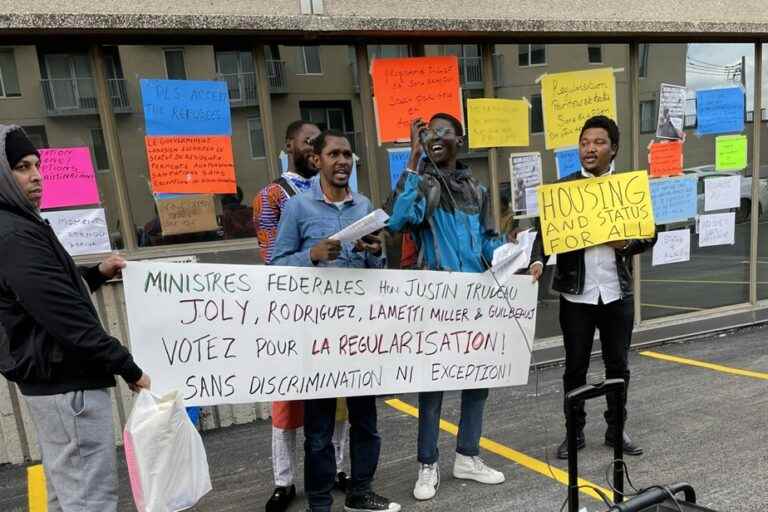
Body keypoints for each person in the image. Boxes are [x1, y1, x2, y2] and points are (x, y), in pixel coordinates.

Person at [0, 125, 151, 512]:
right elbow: (63, 315)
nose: (35, 176)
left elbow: (49, 292)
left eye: (37, 165)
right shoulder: (13, 233)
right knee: (89, 501)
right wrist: (128, 367)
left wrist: (96, 274)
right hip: (68, 387)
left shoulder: (19, 223)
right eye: (21, 167)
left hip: (57, 385)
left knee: (68, 496)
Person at [271, 130, 400, 512]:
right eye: (334, 154)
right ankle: (321, 503)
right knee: (319, 430)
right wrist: (309, 255)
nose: (342, 161)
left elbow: (377, 269)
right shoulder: (297, 208)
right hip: (317, 336)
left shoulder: (364, 208)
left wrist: (376, 253)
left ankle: (360, 493)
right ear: (318, 160)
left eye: (348, 155)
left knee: (365, 421)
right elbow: (275, 267)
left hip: (359, 334)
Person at [386, 113, 510, 501]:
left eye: (443, 131)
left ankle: (468, 457)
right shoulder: (423, 184)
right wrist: (412, 158)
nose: (435, 137)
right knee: (433, 385)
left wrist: (516, 255)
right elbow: (398, 220)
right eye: (428, 133)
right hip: (436, 301)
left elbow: (489, 244)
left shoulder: (477, 189)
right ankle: (427, 464)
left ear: (460, 138)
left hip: (474, 301)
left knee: (477, 381)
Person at [528, 115, 656, 460]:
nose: (589, 148)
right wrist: (537, 261)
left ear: (613, 149)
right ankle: (575, 433)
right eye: (584, 142)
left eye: (598, 142)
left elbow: (649, 236)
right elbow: (544, 233)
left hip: (617, 293)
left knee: (619, 367)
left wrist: (625, 245)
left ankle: (616, 430)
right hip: (577, 295)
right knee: (575, 368)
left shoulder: (628, 190)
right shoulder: (563, 190)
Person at [254, 120, 351, 511]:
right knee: (286, 405)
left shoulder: (337, 193)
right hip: (289, 316)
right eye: (307, 141)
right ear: (290, 145)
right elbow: (269, 256)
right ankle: (284, 480)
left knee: (339, 397)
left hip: (333, 313)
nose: (313, 147)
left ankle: (338, 468)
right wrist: (308, 259)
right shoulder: (272, 196)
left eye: (319, 142)